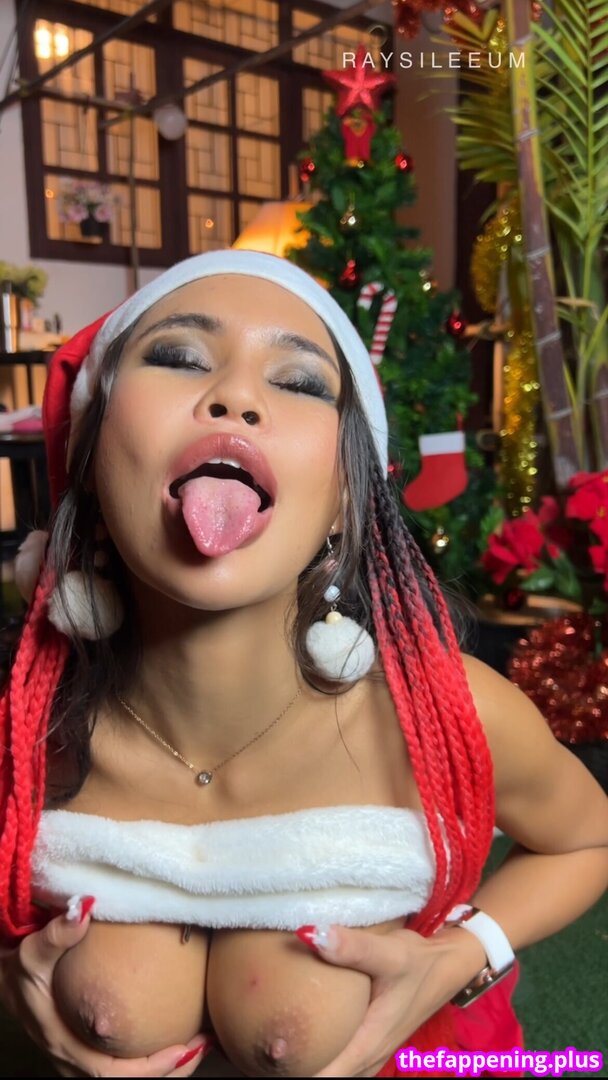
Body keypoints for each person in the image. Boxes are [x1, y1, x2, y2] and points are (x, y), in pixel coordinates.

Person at [0, 250, 606, 1080]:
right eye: (178, 357)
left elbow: (587, 840)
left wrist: (465, 955)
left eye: (298, 381)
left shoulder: (442, 712)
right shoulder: (25, 722)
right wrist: (9, 979)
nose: (236, 396)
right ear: (90, 452)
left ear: (346, 500)